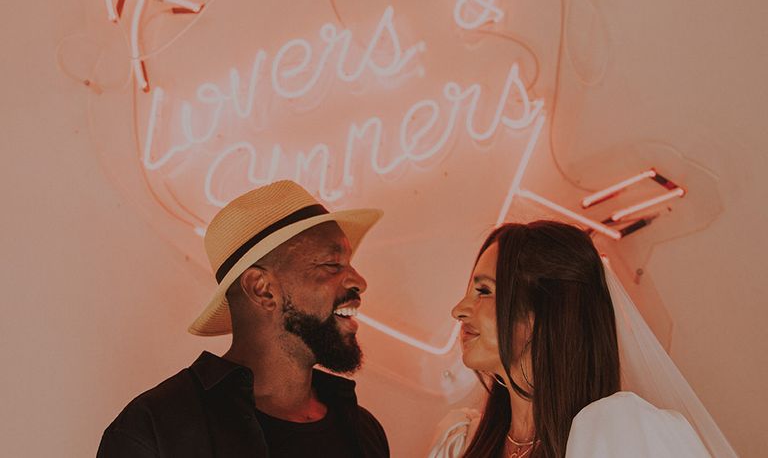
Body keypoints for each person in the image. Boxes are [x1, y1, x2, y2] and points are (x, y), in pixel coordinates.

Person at [98, 180, 389, 457]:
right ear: (261, 289)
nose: (359, 282)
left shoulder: (363, 431)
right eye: (332, 264)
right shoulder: (157, 430)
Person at [428, 221, 737, 458]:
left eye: (483, 291)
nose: (458, 310)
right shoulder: (462, 441)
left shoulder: (619, 433)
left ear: (546, 309)